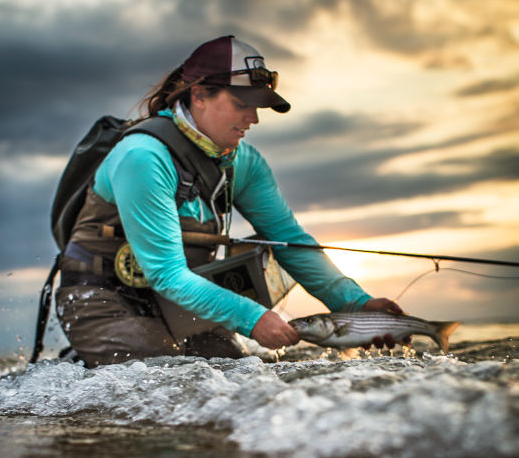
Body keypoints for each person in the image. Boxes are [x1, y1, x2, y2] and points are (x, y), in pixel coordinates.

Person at [55, 35, 403, 367]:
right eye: (241, 104)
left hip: (182, 301)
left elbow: (290, 242)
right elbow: (167, 275)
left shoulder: (244, 162)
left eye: (257, 106)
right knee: (173, 382)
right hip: (101, 298)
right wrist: (253, 319)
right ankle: (84, 360)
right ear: (199, 95)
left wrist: (357, 304)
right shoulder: (143, 157)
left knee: (244, 377)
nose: (253, 119)